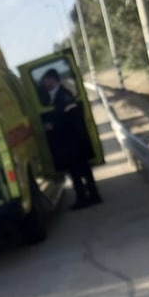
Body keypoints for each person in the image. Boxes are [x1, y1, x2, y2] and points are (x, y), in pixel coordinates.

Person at [41, 68, 102, 209]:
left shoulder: (64, 95)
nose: (45, 84)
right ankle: (89, 195)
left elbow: (70, 116)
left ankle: (86, 197)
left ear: (53, 80)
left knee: (78, 170)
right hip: (70, 140)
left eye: (46, 81)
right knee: (79, 169)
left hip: (72, 139)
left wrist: (53, 125)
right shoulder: (57, 94)